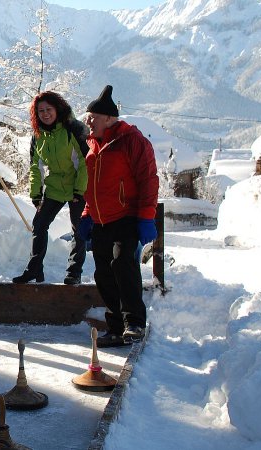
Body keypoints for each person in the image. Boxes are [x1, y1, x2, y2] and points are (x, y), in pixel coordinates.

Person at [76, 85, 159, 348]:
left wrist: (147, 217)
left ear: (110, 118)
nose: (88, 122)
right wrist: (87, 215)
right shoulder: (93, 148)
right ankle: (115, 327)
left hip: (127, 216)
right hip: (101, 220)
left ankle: (133, 322)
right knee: (103, 274)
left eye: (93, 118)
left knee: (123, 264)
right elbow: (93, 189)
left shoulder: (132, 141)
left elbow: (148, 180)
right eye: (88, 117)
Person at [13, 91, 89, 285]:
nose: (45, 114)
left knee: (78, 230)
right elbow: (35, 167)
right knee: (39, 225)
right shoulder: (38, 136)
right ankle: (34, 270)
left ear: (58, 109)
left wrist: (79, 192)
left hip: (77, 186)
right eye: (40, 111)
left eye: (48, 109)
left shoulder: (73, 130)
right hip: (54, 186)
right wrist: (36, 193)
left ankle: (74, 272)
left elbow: (84, 162)